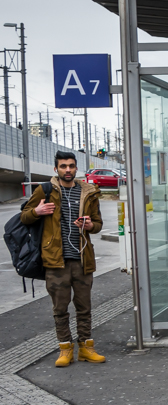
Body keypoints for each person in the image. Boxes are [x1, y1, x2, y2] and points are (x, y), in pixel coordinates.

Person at [20, 151, 105, 367]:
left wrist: (89, 226)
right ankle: (65, 349)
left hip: (82, 258)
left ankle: (86, 348)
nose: (68, 170)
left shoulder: (89, 192)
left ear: (77, 169)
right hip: (55, 260)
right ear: (55, 169)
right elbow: (24, 216)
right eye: (63, 166)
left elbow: (98, 224)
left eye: (71, 166)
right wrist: (37, 211)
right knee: (60, 309)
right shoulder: (45, 190)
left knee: (84, 307)